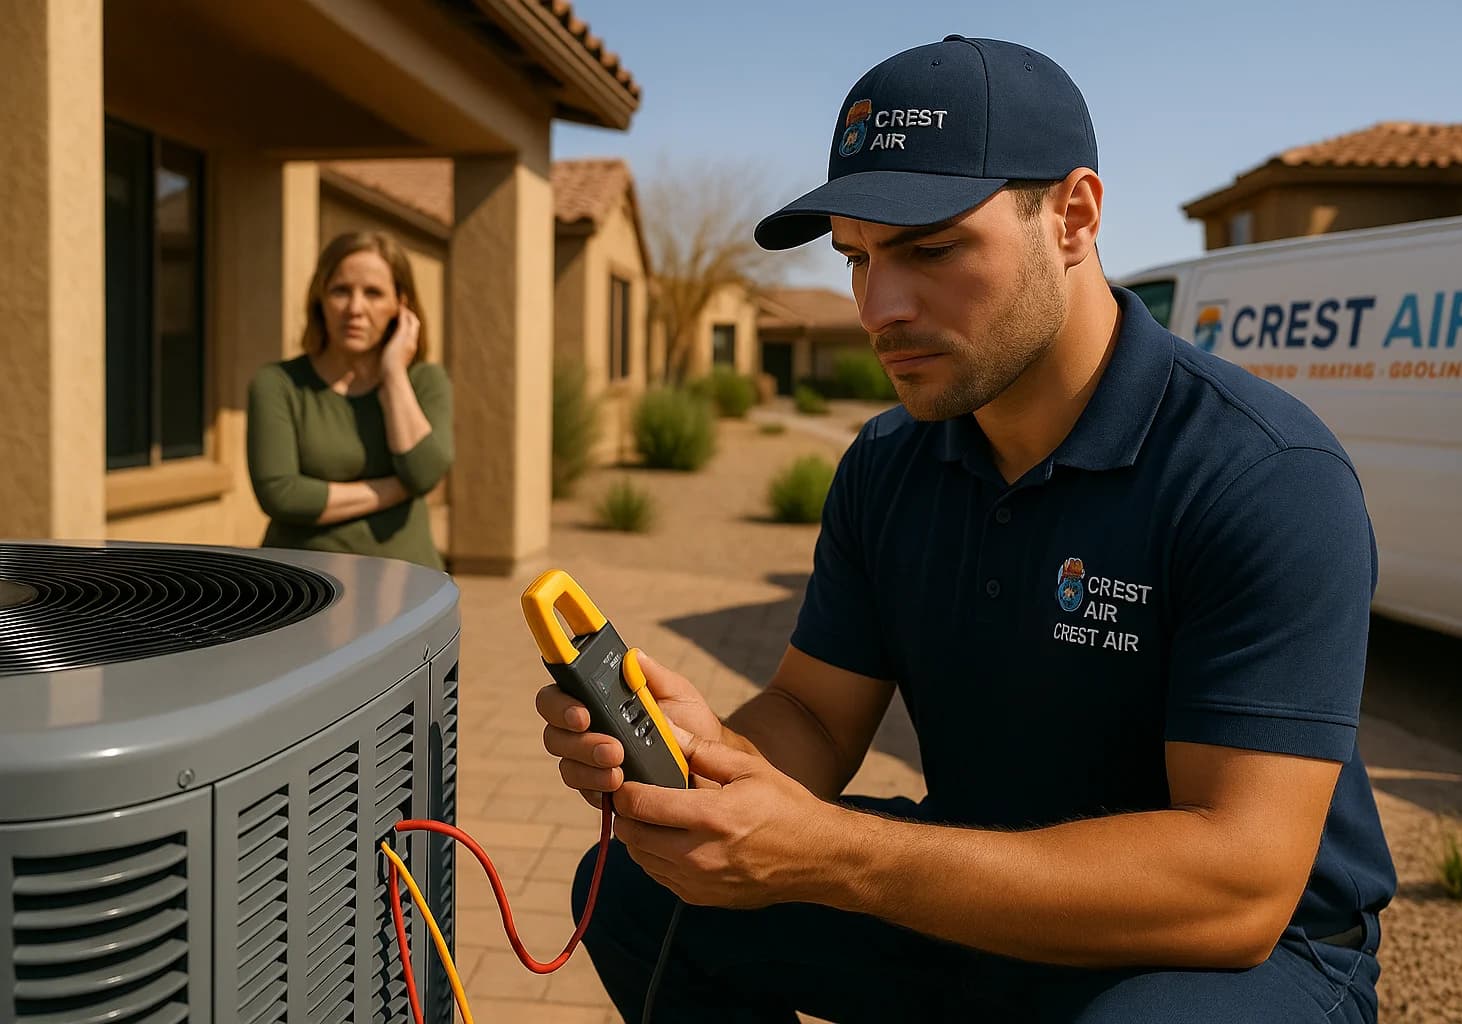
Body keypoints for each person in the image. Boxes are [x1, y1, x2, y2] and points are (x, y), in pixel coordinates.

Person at [538, 35, 1395, 1023]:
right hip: (971, 891)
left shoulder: (1261, 475)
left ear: (1074, 215)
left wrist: (834, 853)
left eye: (930, 248)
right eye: (856, 258)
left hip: (1228, 959)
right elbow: (813, 718)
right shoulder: (888, 464)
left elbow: (1238, 888)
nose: (878, 307)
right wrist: (703, 759)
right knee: (644, 890)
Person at [248, 231, 452, 571]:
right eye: (341, 291)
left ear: (401, 306)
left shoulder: (425, 381)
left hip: (407, 585)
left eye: (373, 293)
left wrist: (393, 375)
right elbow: (282, 495)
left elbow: (424, 472)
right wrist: (395, 489)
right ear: (320, 300)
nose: (355, 309)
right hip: (304, 585)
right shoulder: (278, 384)